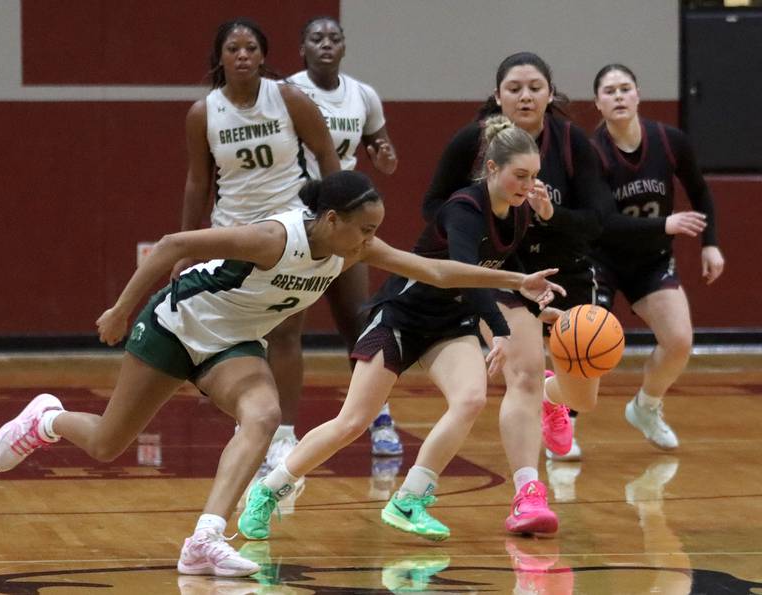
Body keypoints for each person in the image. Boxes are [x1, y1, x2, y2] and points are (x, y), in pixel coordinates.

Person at [0, 170, 563, 576]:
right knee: (110, 444)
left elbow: (437, 270)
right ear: (332, 219)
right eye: (363, 229)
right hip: (176, 325)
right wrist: (120, 310)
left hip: (234, 343)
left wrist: (517, 282)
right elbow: (169, 246)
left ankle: (205, 539)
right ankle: (49, 420)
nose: (370, 241)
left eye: (375, 232)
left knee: (262, 417)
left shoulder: (351, 248)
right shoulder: (273, 237)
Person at [236, 116, 566, 542]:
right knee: (353, 421)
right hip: (403, 315)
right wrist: (500, 327)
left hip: (450, 322)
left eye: (534, 176)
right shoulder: (463, 209)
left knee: (469, 399)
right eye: (520, 175)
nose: (527, 185)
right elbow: (466, 273)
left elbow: (497, 270)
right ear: (491, 170)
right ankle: (269, 489)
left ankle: (411, 499)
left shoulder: (518, 215)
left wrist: (530, 303)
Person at [421, 52, 616, 526]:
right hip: (501, 268)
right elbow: (433, 205)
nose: (525, 95)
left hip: (562, 271)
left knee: (582, 395)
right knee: (523, 374)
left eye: (534, 87)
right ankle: (529, 494)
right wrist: (473, 231)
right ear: (497, 96)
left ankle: (556, 398)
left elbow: (599, 221)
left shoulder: (572, 143)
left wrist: (551, 217)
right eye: (514, 87)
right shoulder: (472, 142)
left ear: (551, 94)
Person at [174, 18, 340, 475]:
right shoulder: (203, 112)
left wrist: (336, 212)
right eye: (234, 48)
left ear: (263, 55)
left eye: (251, 47)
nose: (243, 55)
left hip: (291, 230)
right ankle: (250, 422)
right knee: (236, 335)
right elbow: (197, 181)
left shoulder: (287, 98)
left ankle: (284, 436)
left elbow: (326, 154)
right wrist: (188, 246)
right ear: (221, 57)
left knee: (287, 332)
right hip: (233, 233)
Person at [591, 63, 724, 449]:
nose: (618, 96)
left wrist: (710, 243)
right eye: (609, 91)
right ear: (598, 103)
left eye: (625, 88)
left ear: (637, 95)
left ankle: (646, 406)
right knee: (588, 345)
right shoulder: (592, 153)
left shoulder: (669, 141)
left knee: (680, 341)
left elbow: (700, 192)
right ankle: (564, 419)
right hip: (602, 260)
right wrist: (666, 224)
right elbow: (604, 222)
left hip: (650, 261)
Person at [288, 15, 402, 457]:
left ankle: (380, 416)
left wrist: (386, 158)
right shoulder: (288, 92)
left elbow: (383, 153)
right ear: (303, 48)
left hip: (347, 221)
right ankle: (279, 435)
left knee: (358, 320)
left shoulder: (363, 95)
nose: (326, 44)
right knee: (284, 329)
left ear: (344, 46)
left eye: (334, 38)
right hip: (300, 216)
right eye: (316, 38)